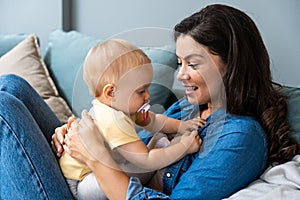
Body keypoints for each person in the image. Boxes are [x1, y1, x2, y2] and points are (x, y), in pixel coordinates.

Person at [0, 3, 298, 200]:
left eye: (192, 64)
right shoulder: (187, 108)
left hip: (93, 188)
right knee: (12, 85)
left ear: (231, 65)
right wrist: (70, 135)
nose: (180, 76)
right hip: (90, 173)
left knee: (4, 109)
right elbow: (123, 134)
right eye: (179, 63)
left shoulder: (240, 136)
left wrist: (93, 156)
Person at [59, 38, 203, 199]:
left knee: (158, 141)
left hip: (94, 171)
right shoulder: (113, 120)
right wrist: (184, 147)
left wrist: (181, 126)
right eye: (141, 91)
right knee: (143, 163)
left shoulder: (122, 107)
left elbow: (154, 121)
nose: (148, 96)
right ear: (111, 92)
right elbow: (146, 161)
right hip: (81, 184)